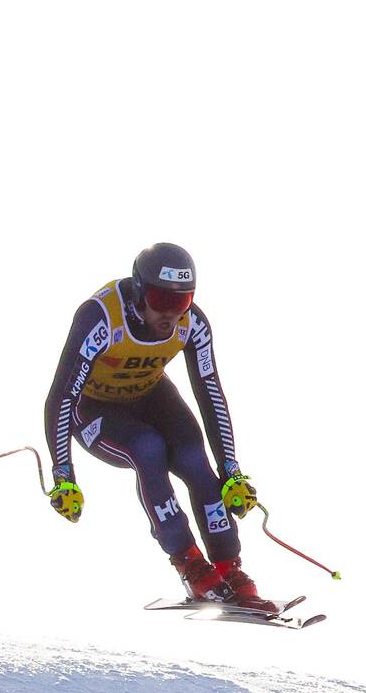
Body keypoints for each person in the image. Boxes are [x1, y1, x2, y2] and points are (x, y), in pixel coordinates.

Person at [42, 243, 273, 611]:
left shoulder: (192, 323)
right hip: (93, 408)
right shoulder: (100, 318)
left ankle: (230, 568)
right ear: (138, 291)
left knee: (192, 455)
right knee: (148, 448)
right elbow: (61, 395)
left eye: (181, 302)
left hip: (148, 394)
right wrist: (63, 475)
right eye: (160, 300)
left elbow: (209, 391)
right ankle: (190, 564)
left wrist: (231, 471)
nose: (170, 314)